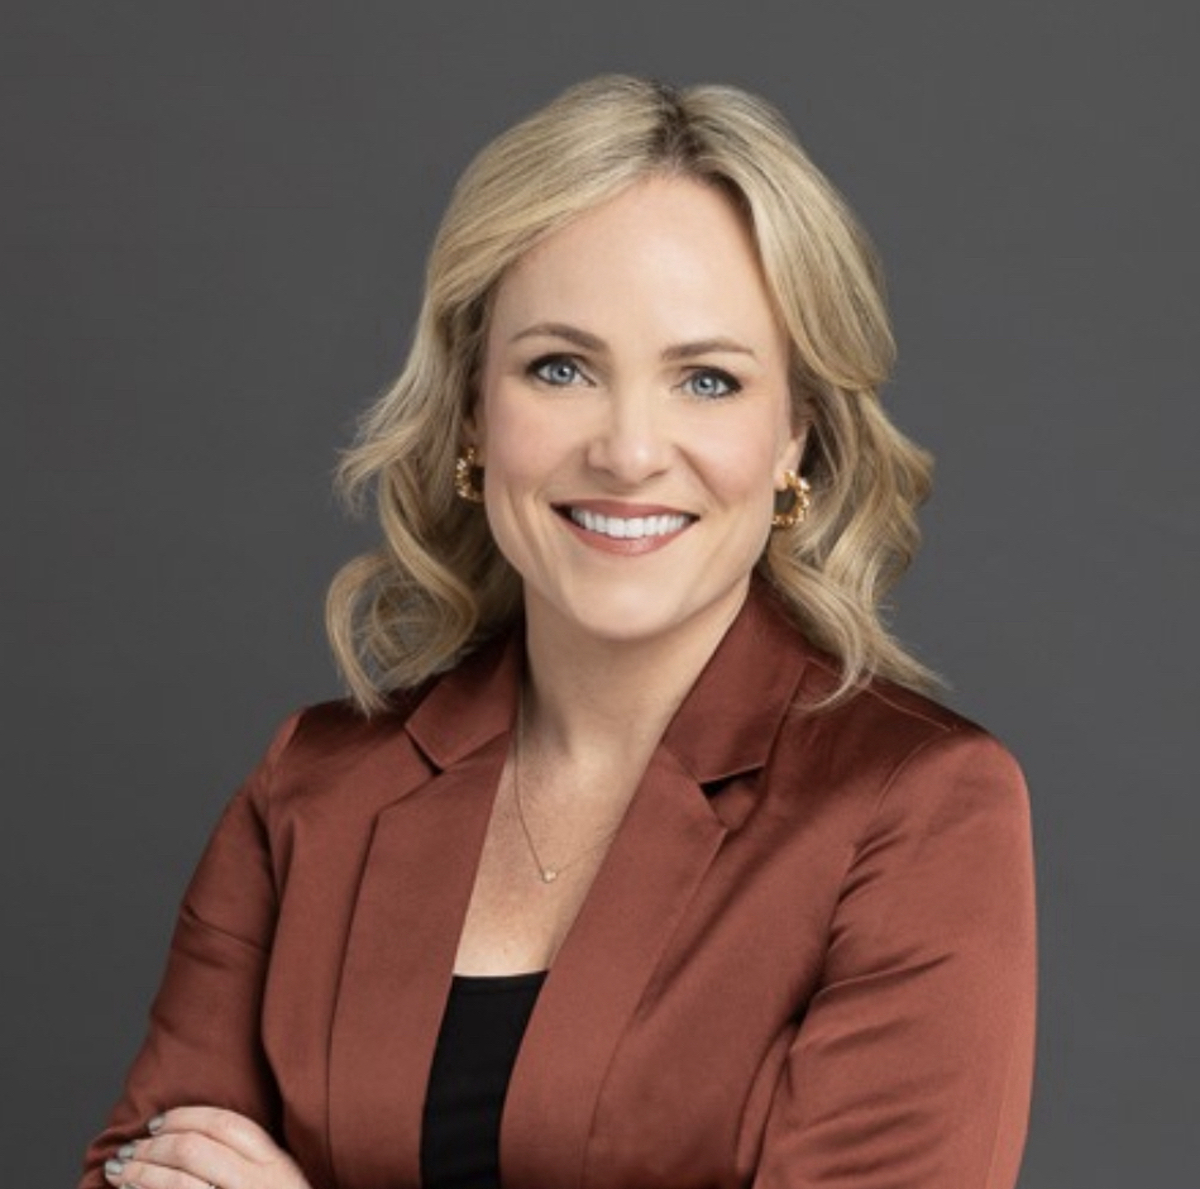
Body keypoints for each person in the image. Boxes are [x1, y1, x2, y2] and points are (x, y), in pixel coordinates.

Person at [81, 75, 1036, 1189]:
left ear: (795, 442)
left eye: (709, 380)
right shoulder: (315, 792)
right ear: (475, 412)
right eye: (562, 368)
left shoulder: (915, 810)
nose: (630, 450)